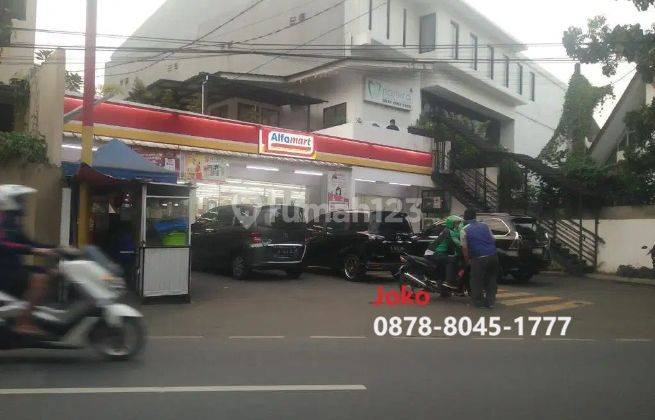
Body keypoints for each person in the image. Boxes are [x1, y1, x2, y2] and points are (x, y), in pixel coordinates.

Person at [0, 185, 55, 335]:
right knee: (40, 279)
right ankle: (24, 321)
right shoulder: (4, 219)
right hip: (5, 270)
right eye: (19, 199)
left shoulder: (13, 221)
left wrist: (56, 249)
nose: (22, 203)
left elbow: (29, 242)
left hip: (13, 267)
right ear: (8, 200)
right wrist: (34, 250)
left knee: (51, 272)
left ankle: (35, 312)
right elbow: (4, 244)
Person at [460, 208, 499, 308]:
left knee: (476, 280)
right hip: (493, 256)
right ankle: (490, 302)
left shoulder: (464, 230)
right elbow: (493, 240)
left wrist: (467, 260)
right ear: (475, 217)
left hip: (479, 258)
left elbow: (464, 249)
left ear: (465, 218)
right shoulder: (485, 225)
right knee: (491, 279)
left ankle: (478, 303)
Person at [427, 215, 463, 288]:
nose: (458, 225)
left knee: (450, 259)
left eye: (458, 223)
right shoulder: (449, 231)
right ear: (451, 223)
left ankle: (443, 285)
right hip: (436, 253)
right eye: (456, 223)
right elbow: (458, 244)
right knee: (452, 260)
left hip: (439, 252)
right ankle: (449, 282)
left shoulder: (450, 230)